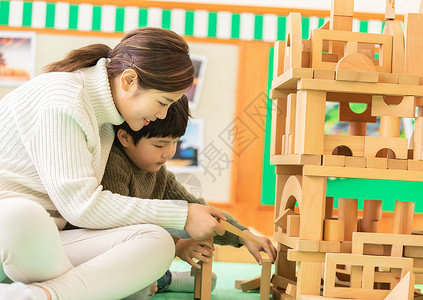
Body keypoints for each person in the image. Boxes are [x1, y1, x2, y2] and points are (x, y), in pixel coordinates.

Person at [0, 27, 228, 300]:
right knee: (22, 215)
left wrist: (195, 217)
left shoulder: (108, 121)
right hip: (15, 233)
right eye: (163, 102)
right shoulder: (65, 98)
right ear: (129, 80)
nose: (161, 115)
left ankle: (43, 295)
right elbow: (82, 207)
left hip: (45, 246)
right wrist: (184, 215)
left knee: (157, 242)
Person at [99, 95, 277, 294]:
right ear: (125, 138)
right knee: (135, 287)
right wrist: (177, 246)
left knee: (194, 220)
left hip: (141, 250)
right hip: (104, 253)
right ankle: (165, 280)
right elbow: (116, 230)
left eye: (175, 142)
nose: (169, 153)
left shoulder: (159, 174)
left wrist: (244, 235)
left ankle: (160, 280)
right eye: (160, 145)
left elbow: (197, 208)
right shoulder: (113, 164)